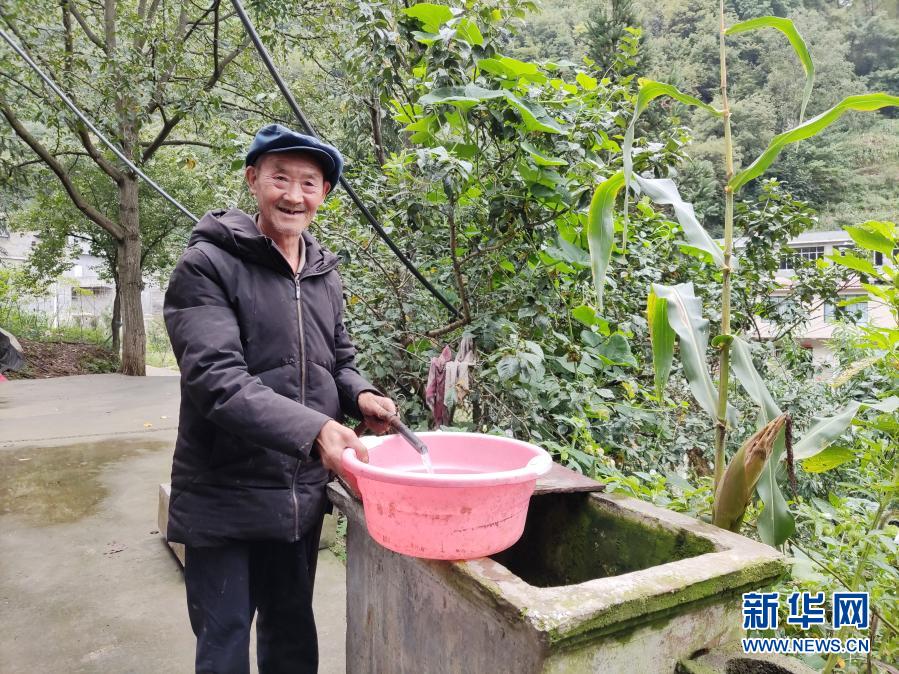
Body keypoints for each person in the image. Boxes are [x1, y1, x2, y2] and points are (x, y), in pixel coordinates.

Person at [163, 124, 396, 674]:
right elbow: (216, 379)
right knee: (224, 643)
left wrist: (361, 393)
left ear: (325, 193)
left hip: (297, 498)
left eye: (309, 183)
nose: (294, 195)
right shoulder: (207, 266)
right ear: (253, 180)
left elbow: (339, 360)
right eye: (280, 179)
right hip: (224, 492)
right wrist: (315, 430)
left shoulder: (323, 275)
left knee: (291, 635)